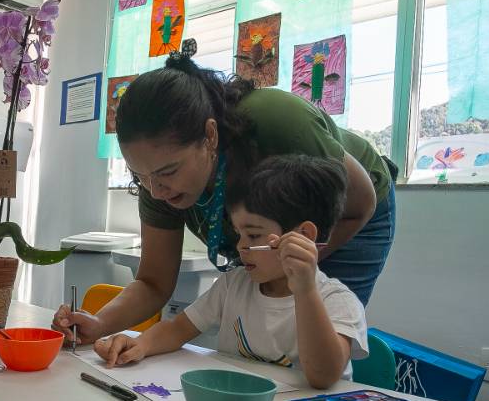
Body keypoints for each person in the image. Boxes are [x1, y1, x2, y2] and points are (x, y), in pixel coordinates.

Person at [54, 40, 395, 345]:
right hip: (282, 239)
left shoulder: (276, 122)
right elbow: (154, 282)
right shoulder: (156, 177)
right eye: (139, 176)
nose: (156, 191)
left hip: (351, 215)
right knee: (260, 340)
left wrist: (295, 270)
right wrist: (100, 323)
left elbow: (361, 202)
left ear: (210, 136)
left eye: (167, 173)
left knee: (313, 341)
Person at [93, 155, 368, 389]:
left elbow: (322, 378)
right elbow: (177, 329)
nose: (241, 247)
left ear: (303, 236)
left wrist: (305, 290)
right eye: (239, 234)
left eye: (254, 235)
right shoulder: (233, 284)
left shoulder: (337, 301)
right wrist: (141, 344)